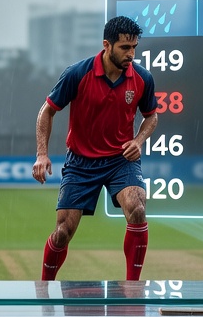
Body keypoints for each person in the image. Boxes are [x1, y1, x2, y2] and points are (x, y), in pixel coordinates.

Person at [32, 15, 158, 281]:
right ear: (106, 45)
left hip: (121, 160)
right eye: (125, 48)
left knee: (137, 209)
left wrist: (138, 140)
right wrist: (42, 154)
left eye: (134, 47)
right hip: (81, 163)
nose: (131, 54)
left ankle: (132, 289)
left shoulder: (143, 78)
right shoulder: (77, 73)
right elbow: (47, 112)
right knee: (64, 231)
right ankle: (45, 288)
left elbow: (151, 116)